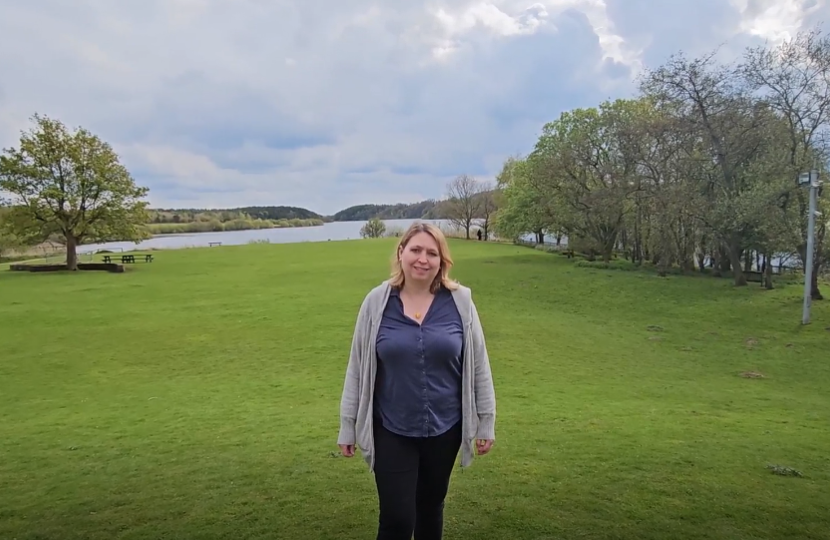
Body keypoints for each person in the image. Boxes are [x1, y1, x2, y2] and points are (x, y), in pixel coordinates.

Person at [337, 221, 497, 540]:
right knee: (396, 519)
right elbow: (357, 365)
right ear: (401, 253)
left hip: (445, 429)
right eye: (416, 250)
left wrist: (486, 420)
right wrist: (347, 424)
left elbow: (479, 363)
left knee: (430, 509)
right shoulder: (376, 303)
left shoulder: (460, 302)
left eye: (432, 253)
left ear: (442, 261)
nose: (423, 259)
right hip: (392, 429)